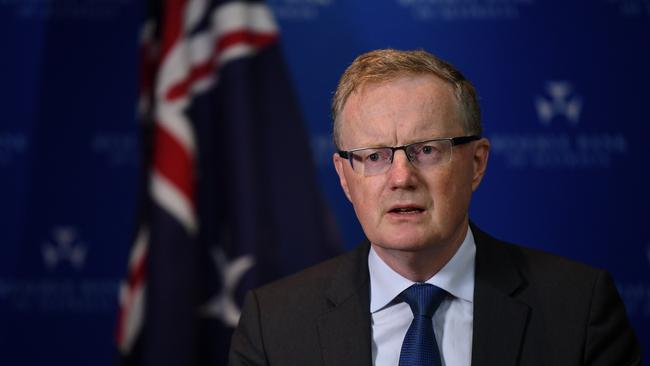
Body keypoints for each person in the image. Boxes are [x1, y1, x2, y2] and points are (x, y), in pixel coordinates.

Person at [228, 49, 641, 366]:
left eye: (426, 150)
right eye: (374, 156)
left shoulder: (579, 308)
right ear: (344, 176)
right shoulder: (275, 325)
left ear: (476, 163)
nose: (401, 177)